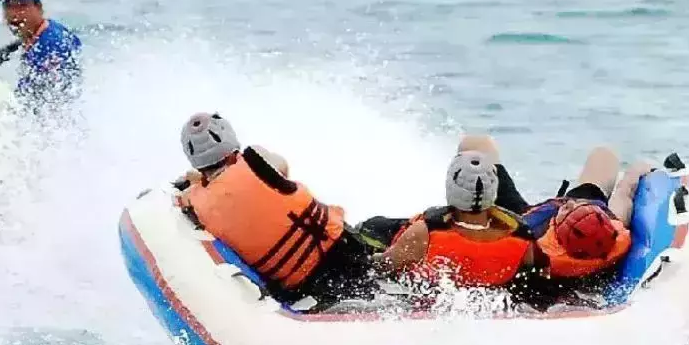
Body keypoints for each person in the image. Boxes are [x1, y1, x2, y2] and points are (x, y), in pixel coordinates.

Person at [174, 112, 381, 309]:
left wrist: (197, 183)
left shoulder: (195, 201)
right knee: (375, 229)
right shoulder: (256, 159)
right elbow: (281, 167)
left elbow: (199, 194)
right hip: (344, 252)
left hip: (301, 287)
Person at [460, 135, 650, 298]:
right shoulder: (611, 223)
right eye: (577, 206)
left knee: (477, 145)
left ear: (557, 235)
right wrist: (642, 168)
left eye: (568, 209)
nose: (568, 203)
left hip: (522, 215)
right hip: (579, 216)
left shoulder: (530, 245)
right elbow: (625, 190)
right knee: (604, 155)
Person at [371, 151, 552, 308]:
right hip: (490, 291)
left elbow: (384, 266)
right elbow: (536, 272)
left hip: (430, 289)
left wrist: (371, 259)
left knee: (373, 226)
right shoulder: (522, 237)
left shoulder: (425, 233)